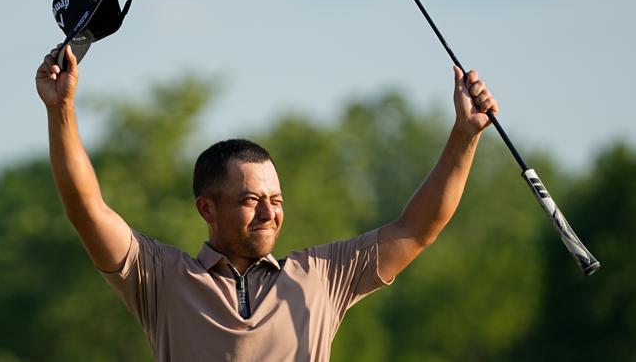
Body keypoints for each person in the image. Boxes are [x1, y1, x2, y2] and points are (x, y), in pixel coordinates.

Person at [35, 45, 499, 361]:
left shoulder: (321, 276)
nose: (269, 212)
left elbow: (415, 230)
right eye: (251, 199)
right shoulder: (160, 277)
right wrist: (62, 110)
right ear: (206, 209)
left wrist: (464, 136)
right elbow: (87, 209)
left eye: (275, 199)